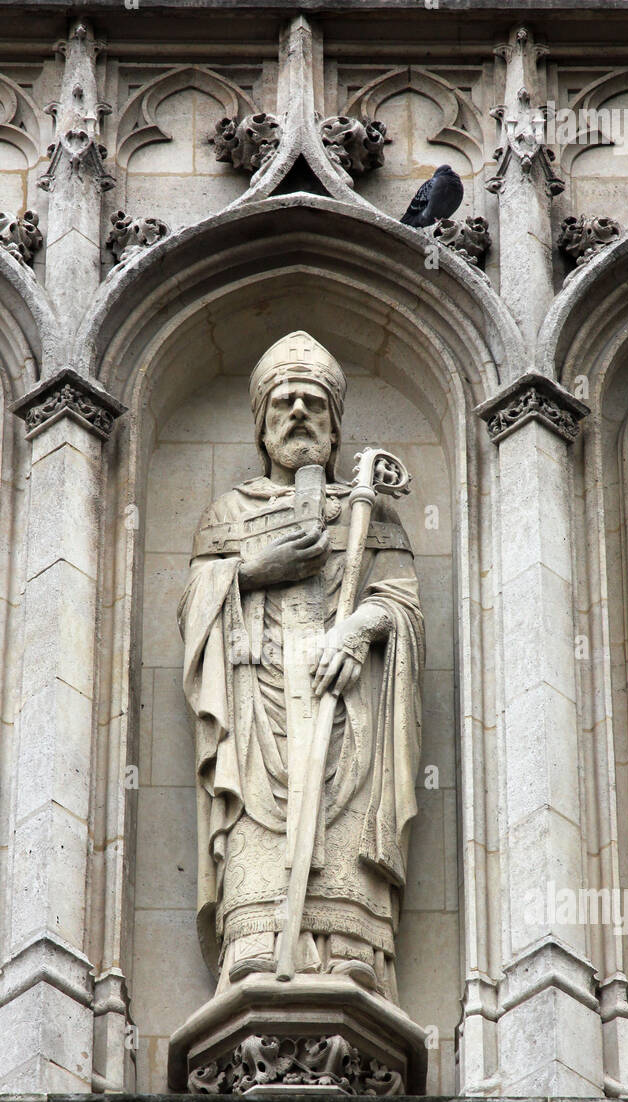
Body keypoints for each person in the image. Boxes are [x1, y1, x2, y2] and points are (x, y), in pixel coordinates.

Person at [178, 331, 425, 1001]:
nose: (297, 413)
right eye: (282, 403)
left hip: (345, 704)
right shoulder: (227, 515)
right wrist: (255, 571)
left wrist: (359, 632)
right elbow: (196, 610)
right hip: (258, 702)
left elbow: (401, 604)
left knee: (342, 802)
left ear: (334, 425)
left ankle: (351, 946)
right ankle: (256, 942)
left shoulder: (369, 514)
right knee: (259, 810)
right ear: (261, 426)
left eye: (313, 404)